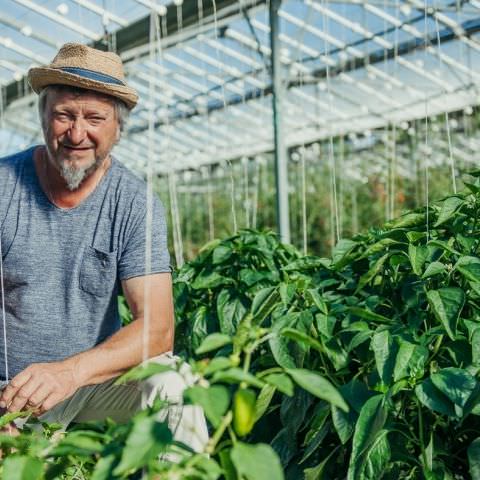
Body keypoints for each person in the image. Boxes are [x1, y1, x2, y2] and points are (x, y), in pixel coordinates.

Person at [0, 43, 208, 452]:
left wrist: (70, 373)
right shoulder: (4, 188)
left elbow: (158, 329)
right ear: (44, 117)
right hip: (11, 392)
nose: (77, 134)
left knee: (175, 383)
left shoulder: (133, 202)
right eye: (63, 115)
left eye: (94, 118)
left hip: (92, 383)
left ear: (118, 126)